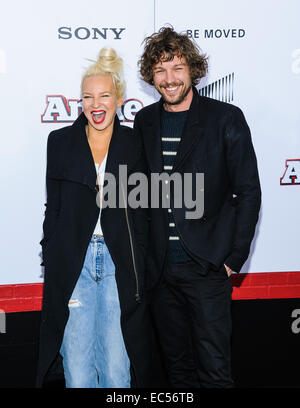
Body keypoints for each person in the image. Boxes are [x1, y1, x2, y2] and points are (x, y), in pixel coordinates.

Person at [135, 26, 261, 388]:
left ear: (192, 69)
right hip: (160, 272)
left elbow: (248, 192)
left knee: (214, 371)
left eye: (177, 68)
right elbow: (142, 194)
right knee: (178, 370)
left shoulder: (226, 118)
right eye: (160, 70)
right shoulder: (144, 121)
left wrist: (233, 258)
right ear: (151, 76)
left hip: (207, 267)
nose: (169, 79)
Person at [36, 47, 151, 388]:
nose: (95, 105)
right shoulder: (59, 142)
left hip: (121, 264)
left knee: (118, 368)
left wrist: (142, 257)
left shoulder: (136, 143)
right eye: (88, 97)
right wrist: (51, 249)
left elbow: (146, 210)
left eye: (104, 95)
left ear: (119, 98)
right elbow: (52, 207)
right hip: (75, 262)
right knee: (78, 368)